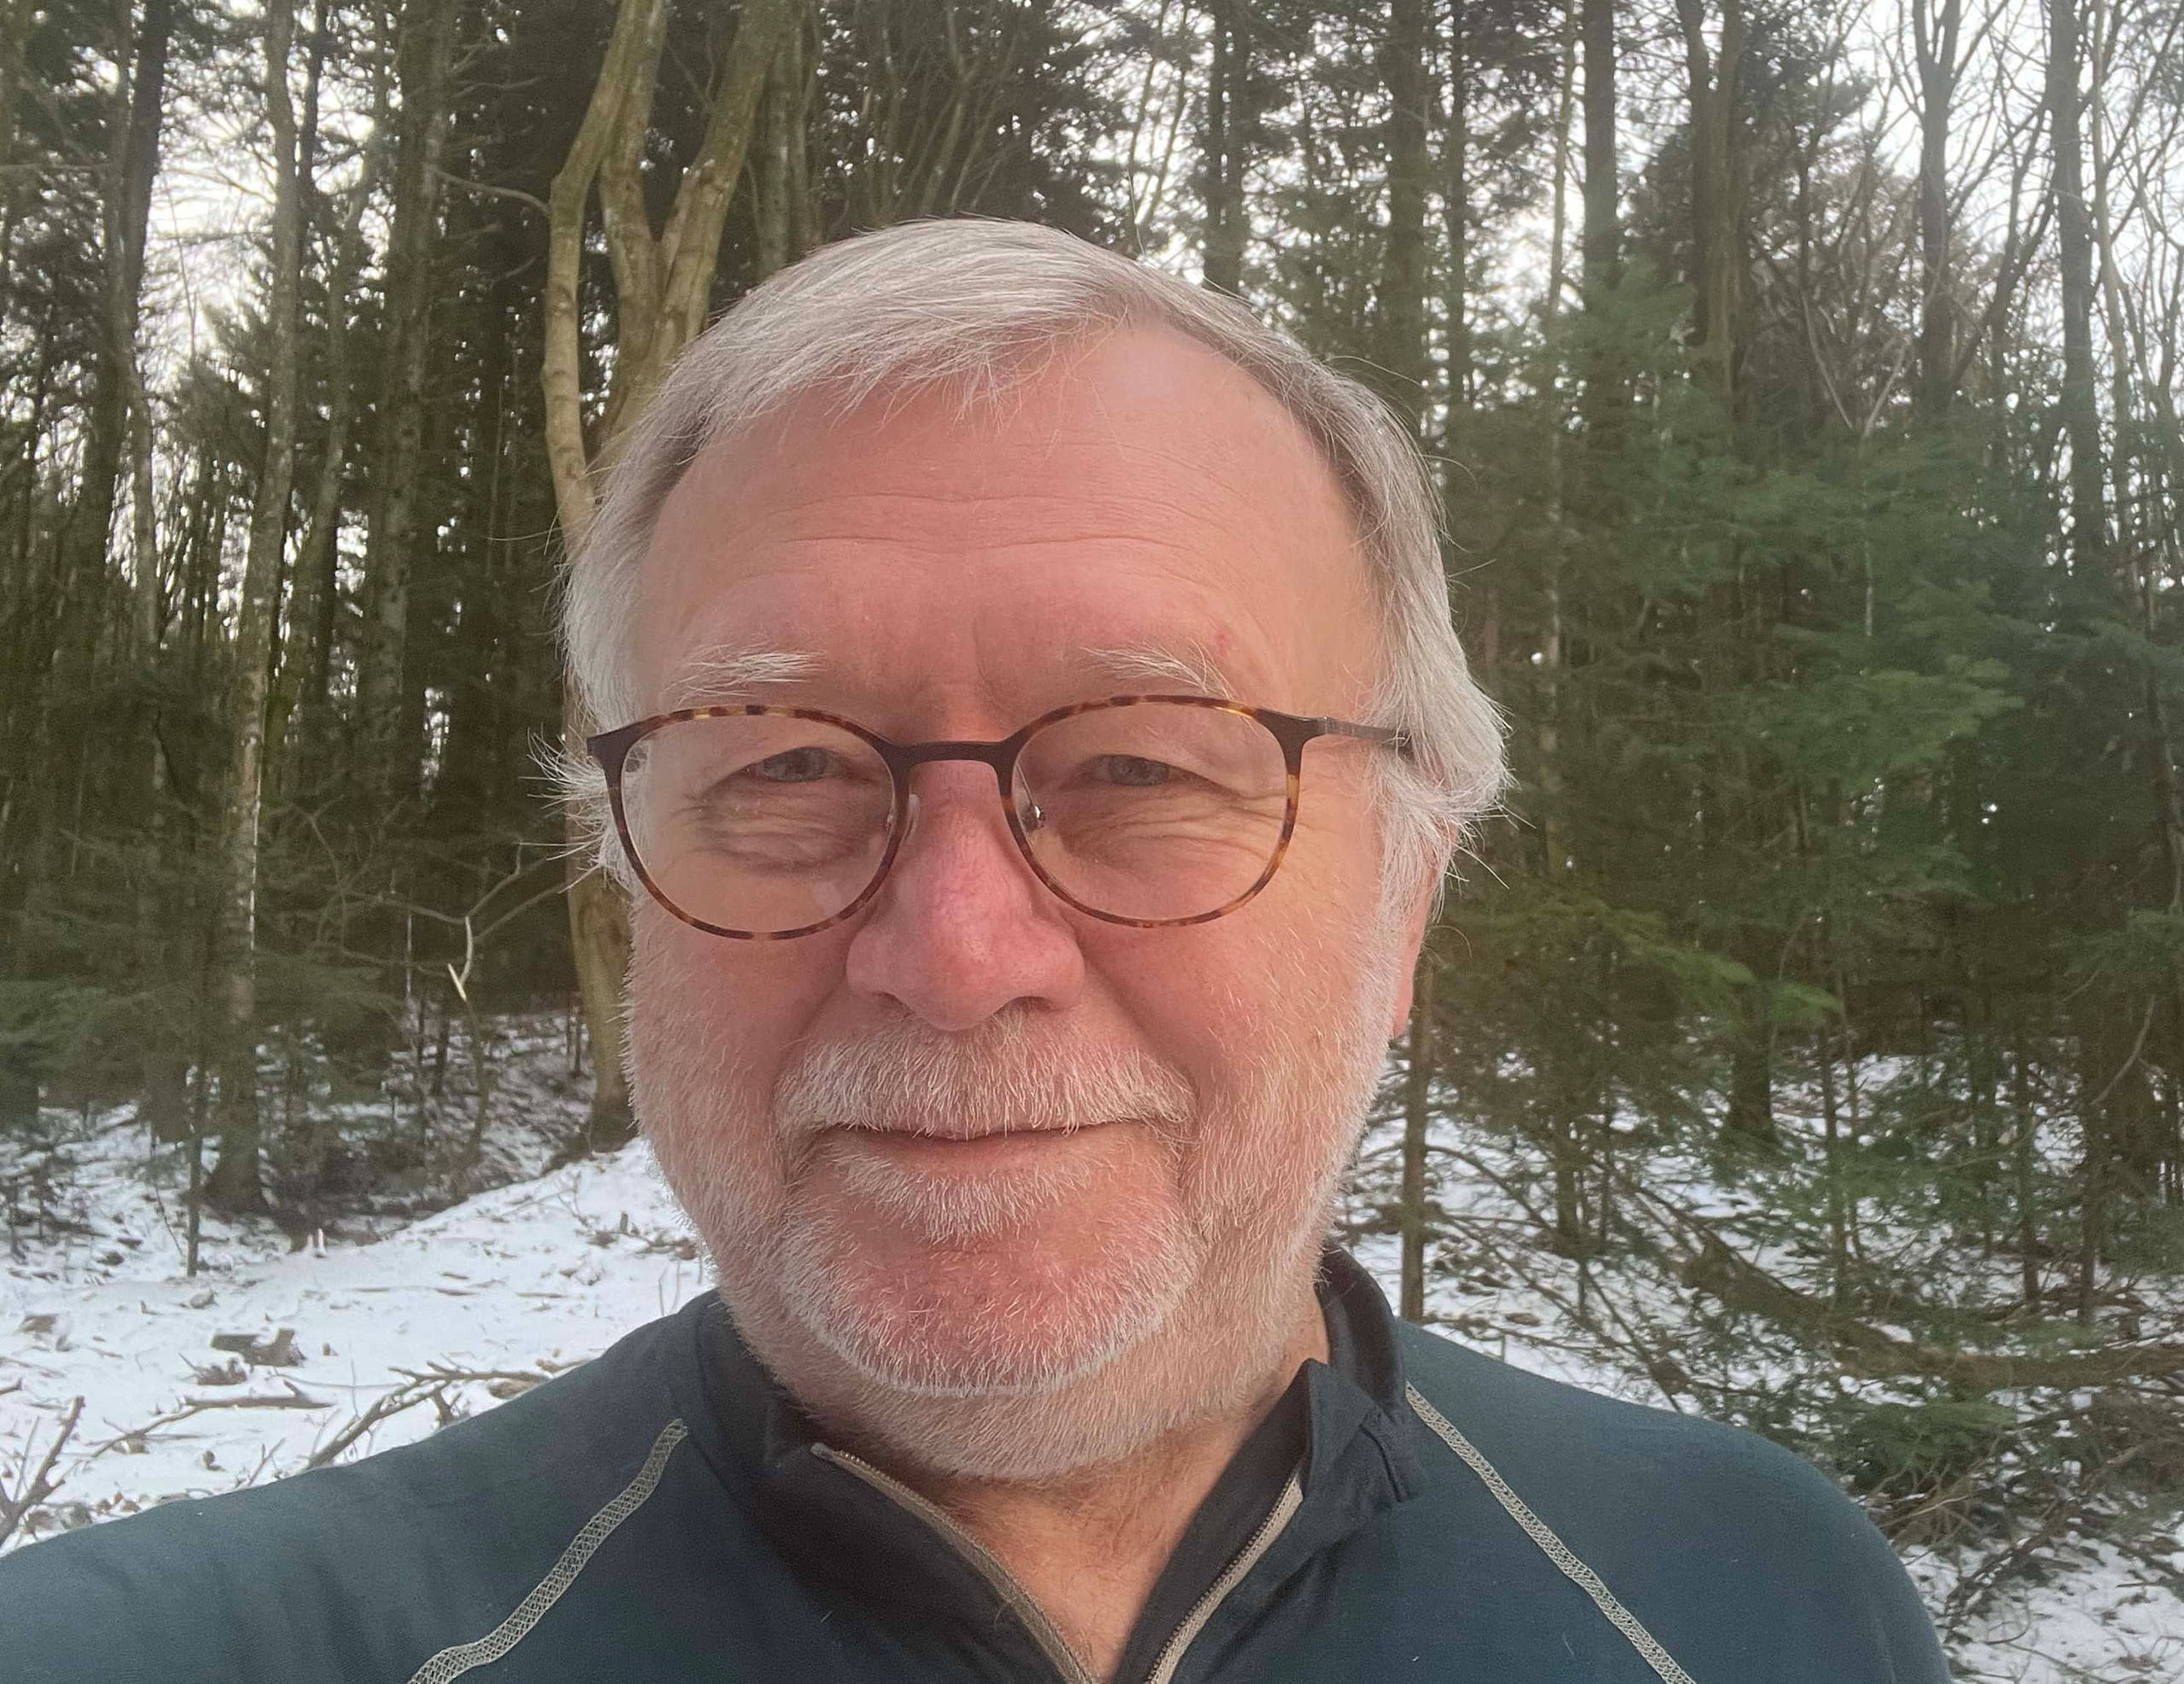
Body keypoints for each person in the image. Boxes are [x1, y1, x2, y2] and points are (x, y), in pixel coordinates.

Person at [2, 219, 1948, 1684]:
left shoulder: (1757, 1605)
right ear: (626, 886)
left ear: (1410, 892)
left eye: (1142, 766)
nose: (951, 950)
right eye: (780, 769)